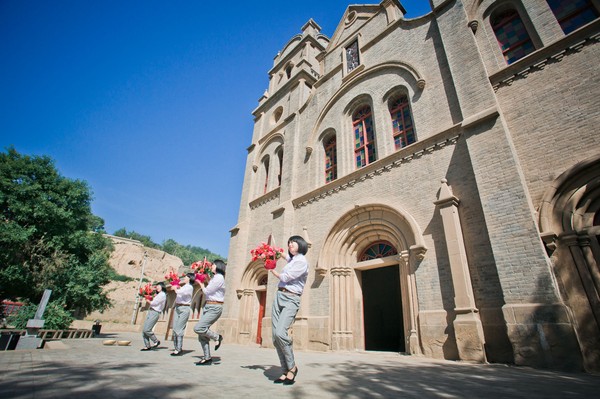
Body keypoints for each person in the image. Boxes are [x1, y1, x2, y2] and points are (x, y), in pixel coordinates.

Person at [269, 235, 309, 385]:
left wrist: (271, 269)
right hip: (279, 296)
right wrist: (274, 252)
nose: (290, 244)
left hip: (291, 298)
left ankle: (292, 367)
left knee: (280, 332)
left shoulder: (302, 261)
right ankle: (285, 370)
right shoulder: (293, 260)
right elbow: (287, 258)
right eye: (289, 243)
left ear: (301, 244)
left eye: (293, 242)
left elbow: (286, 277)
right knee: (275, 337)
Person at [193, 259, 226, 365]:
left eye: (213, 265)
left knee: (199, 328)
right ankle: (207, 357)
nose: (211, 266)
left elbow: (207, 291)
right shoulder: (215, 278)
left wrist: (200, 283)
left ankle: (217, 337)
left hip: (214, 307)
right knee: (201, 334)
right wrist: (205, 277)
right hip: (209, 305)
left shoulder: (219, 278)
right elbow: (210, 287)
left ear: (218, 266)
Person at [170, 272, 195, 356]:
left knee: (179, 329)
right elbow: (180, 292)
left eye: (186, 277)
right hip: (178, 307)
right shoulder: (184, 286)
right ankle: (176, 348)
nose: (184, 278)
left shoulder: (189, 287)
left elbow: (179, 292)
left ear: (189, 278)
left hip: (184, 308)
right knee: (175, 328)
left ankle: (179, 349)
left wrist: (175, 289)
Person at [140, 282, 167, 351]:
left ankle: (155, 341)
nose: (157, 287)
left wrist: (148, 300)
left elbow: (154, 303)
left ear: (162, 287)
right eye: (157, 286)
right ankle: (147, 345)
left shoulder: (162, 295)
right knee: (144, 330)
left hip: (155, 312)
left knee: (147, 329)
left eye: (158, 286)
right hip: (151, 311)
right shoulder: (158, 295)